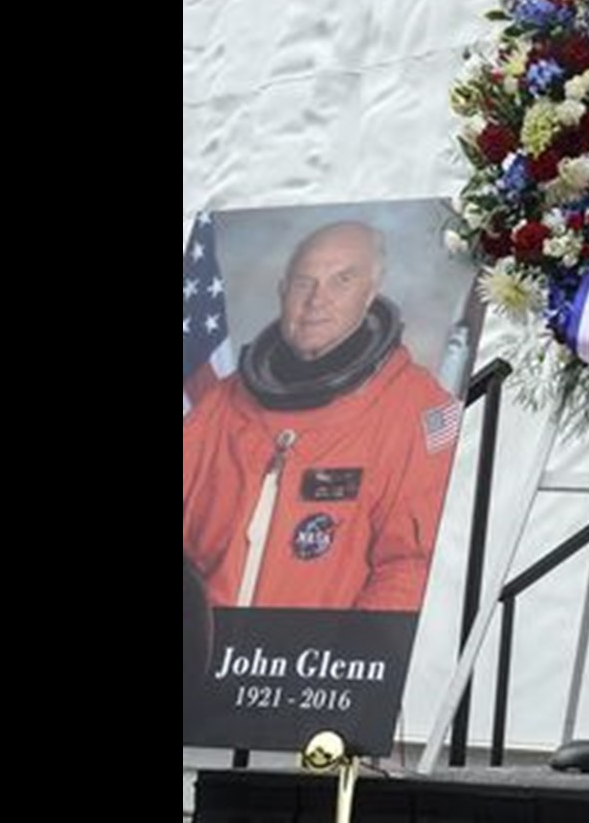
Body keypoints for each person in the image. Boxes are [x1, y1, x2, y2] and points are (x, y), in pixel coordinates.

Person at [182, 221, 461, 612]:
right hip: (207, 660)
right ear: (282, 292)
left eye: (341, 281)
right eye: (303, 283)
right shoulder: (221, 408)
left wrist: (344, 659)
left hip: (324, 663)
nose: (317, 300)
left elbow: (413, 568)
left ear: (370, 294)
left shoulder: (420, 411)